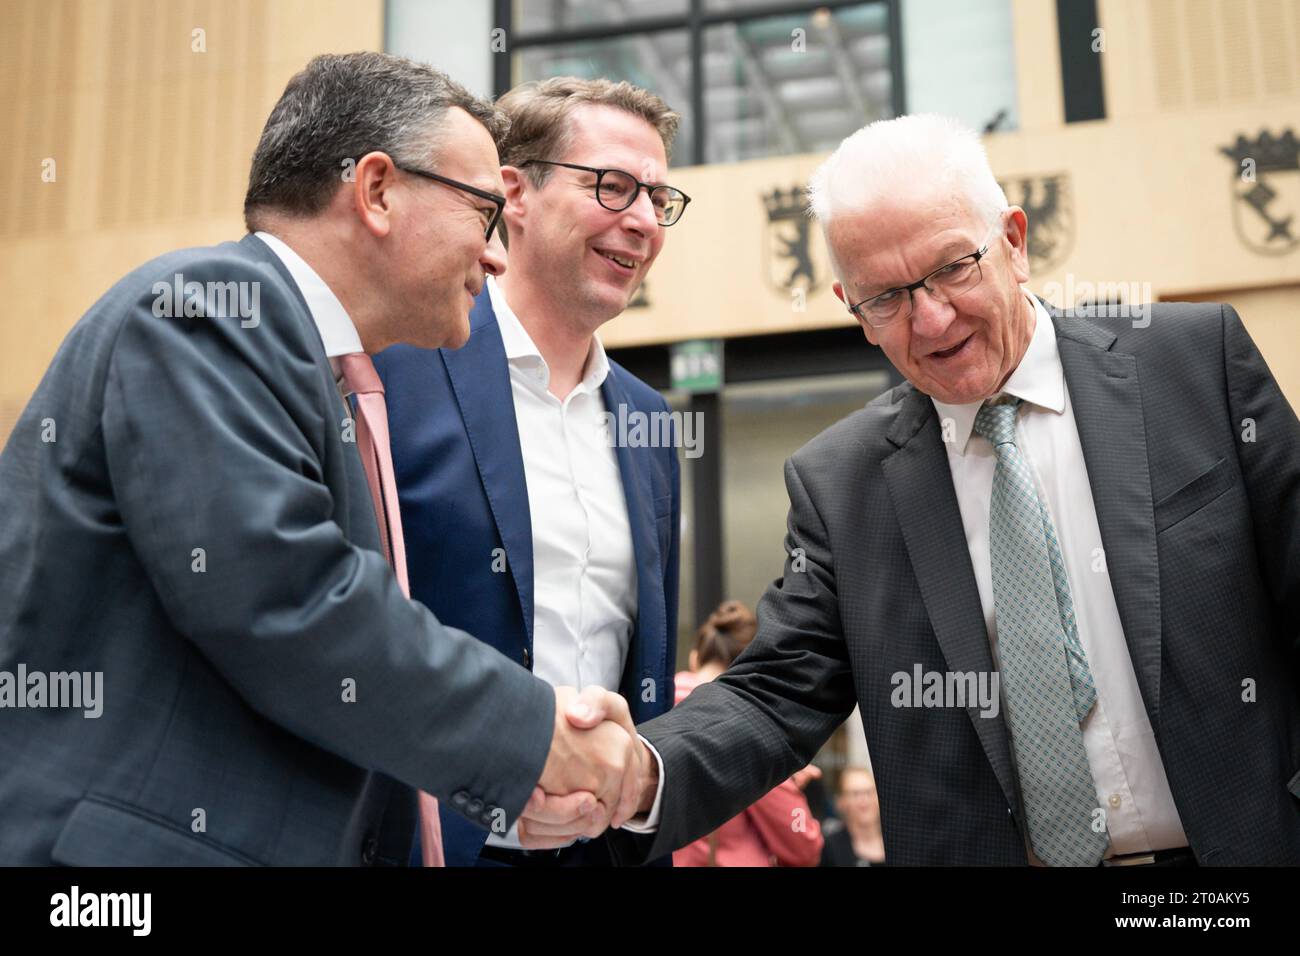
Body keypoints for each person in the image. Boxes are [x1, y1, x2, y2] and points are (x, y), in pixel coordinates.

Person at [527, 113, 1300, 866]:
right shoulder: (843, 485)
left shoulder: (1192, 369)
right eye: (886, 298)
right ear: (850, 309)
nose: (931, 321)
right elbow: (775, 694)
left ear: (1014, 242)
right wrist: (636, 769)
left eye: (952, 269)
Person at [0, 52, 641, 867]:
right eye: (484, 213)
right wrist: (534, 735)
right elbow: (289, 600)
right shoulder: (209, 308)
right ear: (376, 191)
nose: (496, 257)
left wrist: (512, 785)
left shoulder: (318, 372)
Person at [373, 77, 686, 866]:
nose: (643, 221)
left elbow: (642, 668)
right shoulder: (395, 371)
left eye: (658, 197)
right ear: (513, 192)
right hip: (429, 846)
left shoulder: (649, 420)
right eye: (614, 187)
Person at [672, 601, 823, 867]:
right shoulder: (747, 721)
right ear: (753, 668)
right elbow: (803, 847)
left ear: (695, 657)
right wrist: (779, 776)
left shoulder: (655, 707)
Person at [819, 767, 885, 867]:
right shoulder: (830, 848)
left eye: (869, 792)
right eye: (855, 794)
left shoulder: (899, 842)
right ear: (840, 802)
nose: (864, 800)